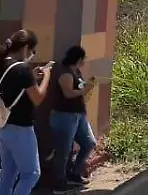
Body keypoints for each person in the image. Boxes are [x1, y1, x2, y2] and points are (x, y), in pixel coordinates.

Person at [0, 30, 52, 195]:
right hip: (20, 129)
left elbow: (11, 87)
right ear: (26, 48)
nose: (31, 54)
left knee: (8, 173)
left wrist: (31, 78)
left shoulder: (0, 64)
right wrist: (46, 76)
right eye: (32, 51)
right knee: (31, 174)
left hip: (1, 125)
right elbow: (38, 98)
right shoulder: (23, 69)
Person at [50, 46, 98, 193]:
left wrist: (87, 85)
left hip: (78, 115)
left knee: (89, 143)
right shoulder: (65, 73)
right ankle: (59, 183)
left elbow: (78, 88)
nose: (84, 61)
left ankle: (74, 173)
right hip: (64, 116)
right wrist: (85, 90)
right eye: (83, 58)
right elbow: (68, 93)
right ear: (78, 59)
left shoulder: (76, 72)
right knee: (64, 151)